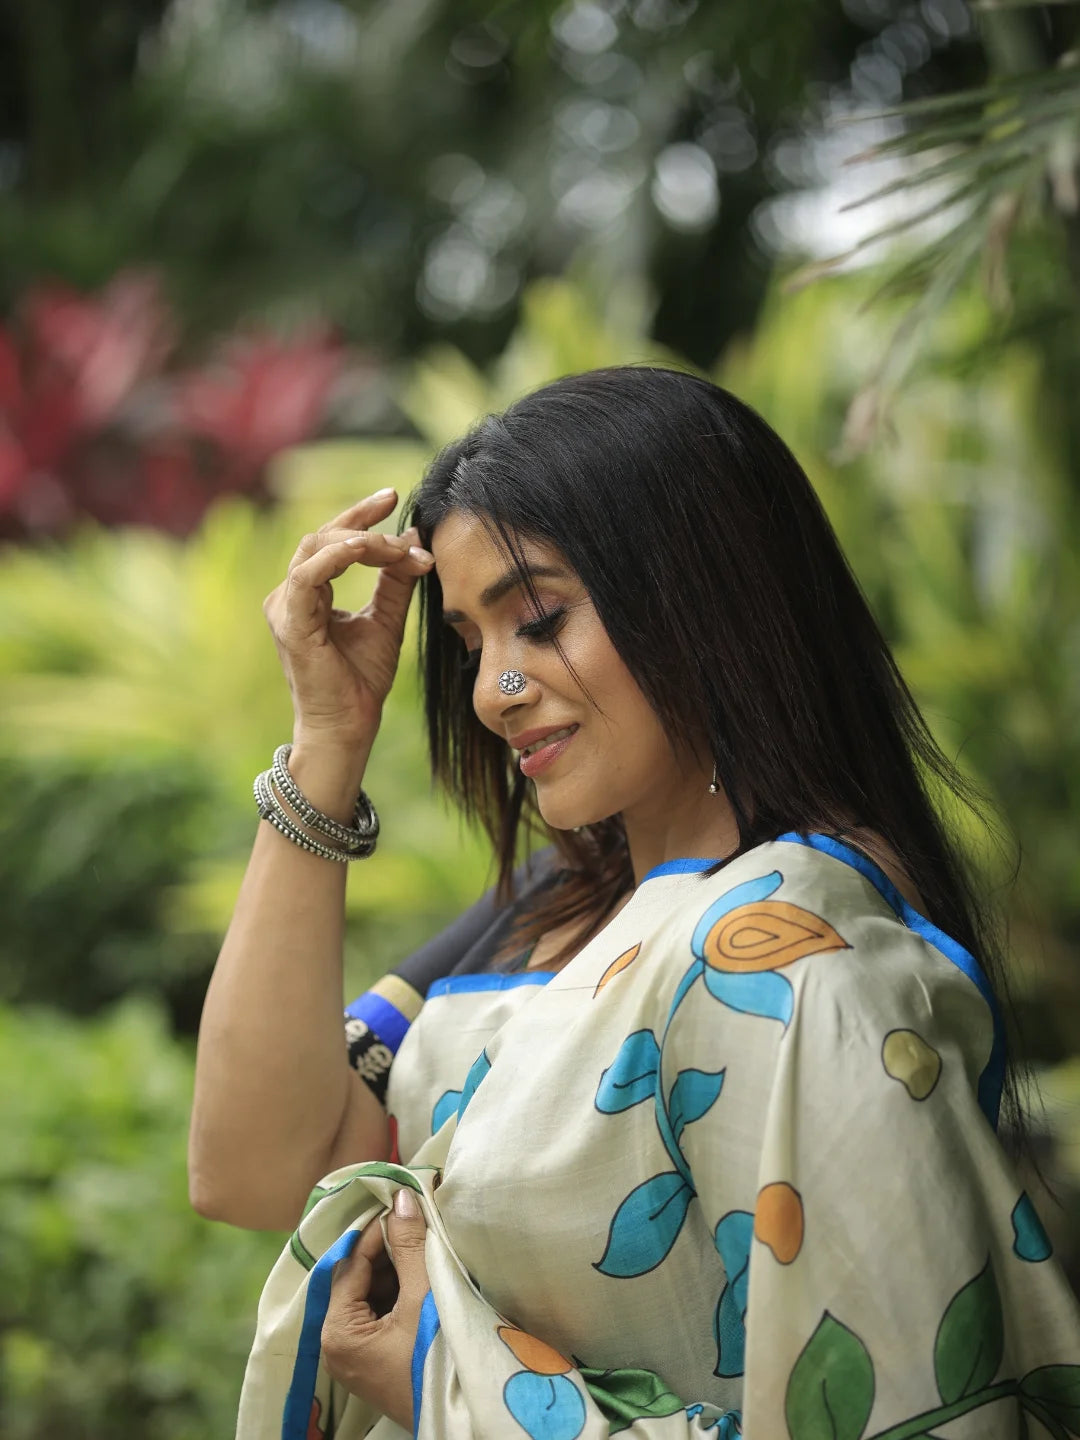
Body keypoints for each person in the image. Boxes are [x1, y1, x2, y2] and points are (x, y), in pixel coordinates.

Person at [190, 367, 1080, 1439]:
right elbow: (251, 1170)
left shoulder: (801, 962)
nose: (490, 692)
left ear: (706, 593)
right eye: (473, 644)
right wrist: (329, 742)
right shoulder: (555, 916)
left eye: (541, 619)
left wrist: (455, 1386)